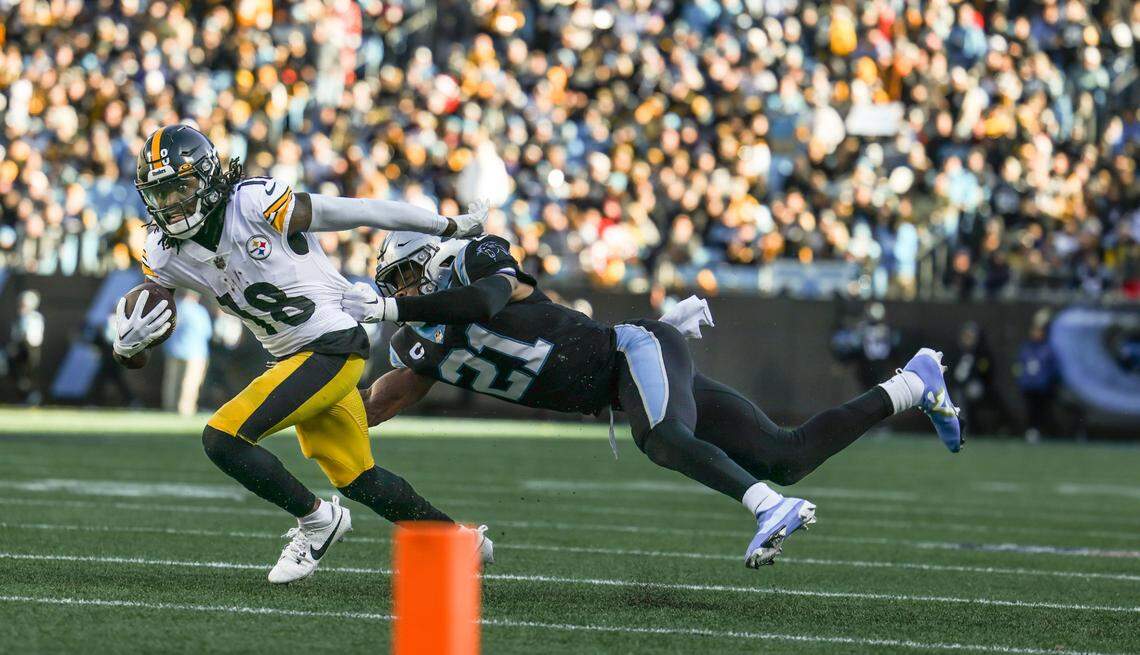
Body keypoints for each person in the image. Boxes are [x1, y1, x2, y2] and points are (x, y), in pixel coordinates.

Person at [345, 231, 963, 568]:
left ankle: (769, 508)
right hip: (621, 383)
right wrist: (313, 416)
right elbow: (378, 402)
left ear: (427, 262)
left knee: (662, 438)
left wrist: (394, 307)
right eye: (392, 288)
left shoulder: (478, 260)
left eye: (401, 279)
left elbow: (484, 302)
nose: (400, 293)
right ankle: (913, 383)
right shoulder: (416, 341)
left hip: (632, 350)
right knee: (786, 453)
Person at [111, 125, 492, 584]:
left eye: (181, 187)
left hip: (333, 343)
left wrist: (446, 225)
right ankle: (457, 541)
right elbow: (143, 341)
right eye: (161, 193)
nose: (172, 203)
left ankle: (317, 521)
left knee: (223, 437)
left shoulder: (253, 203)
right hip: (297, 358)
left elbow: (361, 210)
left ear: (208, 177)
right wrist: (126, 347)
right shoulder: (164, 250)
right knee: (358, 477)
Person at [161, 291, 213, 416]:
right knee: (190, 383)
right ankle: (185, 409)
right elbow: (207, 332)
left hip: (174, 350)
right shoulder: (199, 310)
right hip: (196, 352)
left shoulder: (175, 308)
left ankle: (170, 407)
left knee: (172, 382)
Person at [1014, 312, 1060, 443]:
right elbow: (1019, 365)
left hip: (1042, 386)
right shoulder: (1026, 348)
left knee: (1043, 410)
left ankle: (1043, 431)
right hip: (1028, 385)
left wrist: (1049, 381)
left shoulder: (1048, 349)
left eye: (1039, 331)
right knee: (1030, 410)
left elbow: (1053, 368)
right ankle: (1031, 431)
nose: (1036, 334)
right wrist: (1021, 379)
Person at [7, 290, 45, 405]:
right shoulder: (19, 318)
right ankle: (24, 397)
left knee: (28, 376)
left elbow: (33, 338)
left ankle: (31, 398)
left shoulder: (34, 318)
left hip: (29, 350)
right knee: (17, 375)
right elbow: (15, 336)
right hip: (20, 349)